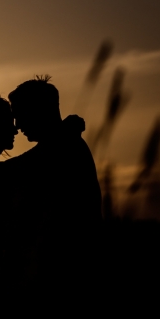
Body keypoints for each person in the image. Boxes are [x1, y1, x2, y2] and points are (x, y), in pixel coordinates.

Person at [0, 95, 86, 301]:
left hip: (16, 271)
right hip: (17, 275)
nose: (15, 130)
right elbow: (36, 157)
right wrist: (63, 132)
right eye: (7, 124)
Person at [7, 75, 102, 299]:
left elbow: (15, 169)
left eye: (20, 114)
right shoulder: (63, 143)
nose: (18, 125)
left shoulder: (64, 148)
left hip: (70, 282)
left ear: (38, 110)